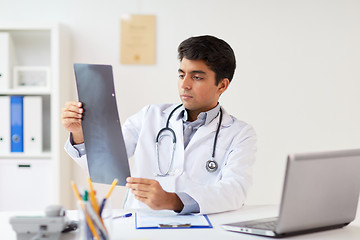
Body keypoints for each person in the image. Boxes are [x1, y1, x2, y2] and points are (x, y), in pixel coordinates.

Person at [61, 35, 257, 214]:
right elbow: (106, 164)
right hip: (140, 224)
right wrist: (80, 134)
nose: (185, 84)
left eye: (197, 77)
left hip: (200, 229)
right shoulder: (150, 116)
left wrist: (174, 201)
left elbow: (235, 190)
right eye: (181, 75)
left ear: (222, 85)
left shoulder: (240, 133)